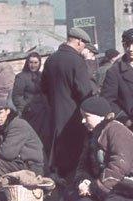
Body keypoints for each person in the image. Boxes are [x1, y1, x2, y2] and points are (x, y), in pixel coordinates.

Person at [62, 96, 133, 201]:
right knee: (72, 198)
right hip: (102, 187)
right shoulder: (93, 134)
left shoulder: (116, 130)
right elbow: (83, 164)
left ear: (100, 116)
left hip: (125, 188)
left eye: (86, 117)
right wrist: (83, 181)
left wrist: (94, 188)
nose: (83, 121)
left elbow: (119, 166)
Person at [41, 27, 93, 182]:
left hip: (54, 114)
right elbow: (85, 91)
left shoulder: (51, 59)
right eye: (84, 45)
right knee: (75, 155)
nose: (83, 49)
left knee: (58, 154)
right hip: (74, 116)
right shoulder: (77, 61)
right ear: (79, 42)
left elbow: (43, 87)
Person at [0, 98, 44, 191]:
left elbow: (7, 153)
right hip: (18, 162)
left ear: (7, 111)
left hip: (31, 167)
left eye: (0, 112)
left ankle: (1, 197)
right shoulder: (1, 127)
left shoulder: (17, 124)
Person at [12, 52, 43, 117]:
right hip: (27, 112)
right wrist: (26, 108)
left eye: (35, 63)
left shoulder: (42, 75)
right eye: (31, 62)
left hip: (42, 110)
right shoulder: (21, 77)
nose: (33, 65)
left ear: (39, 63)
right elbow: (17, 96)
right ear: (27, 63)